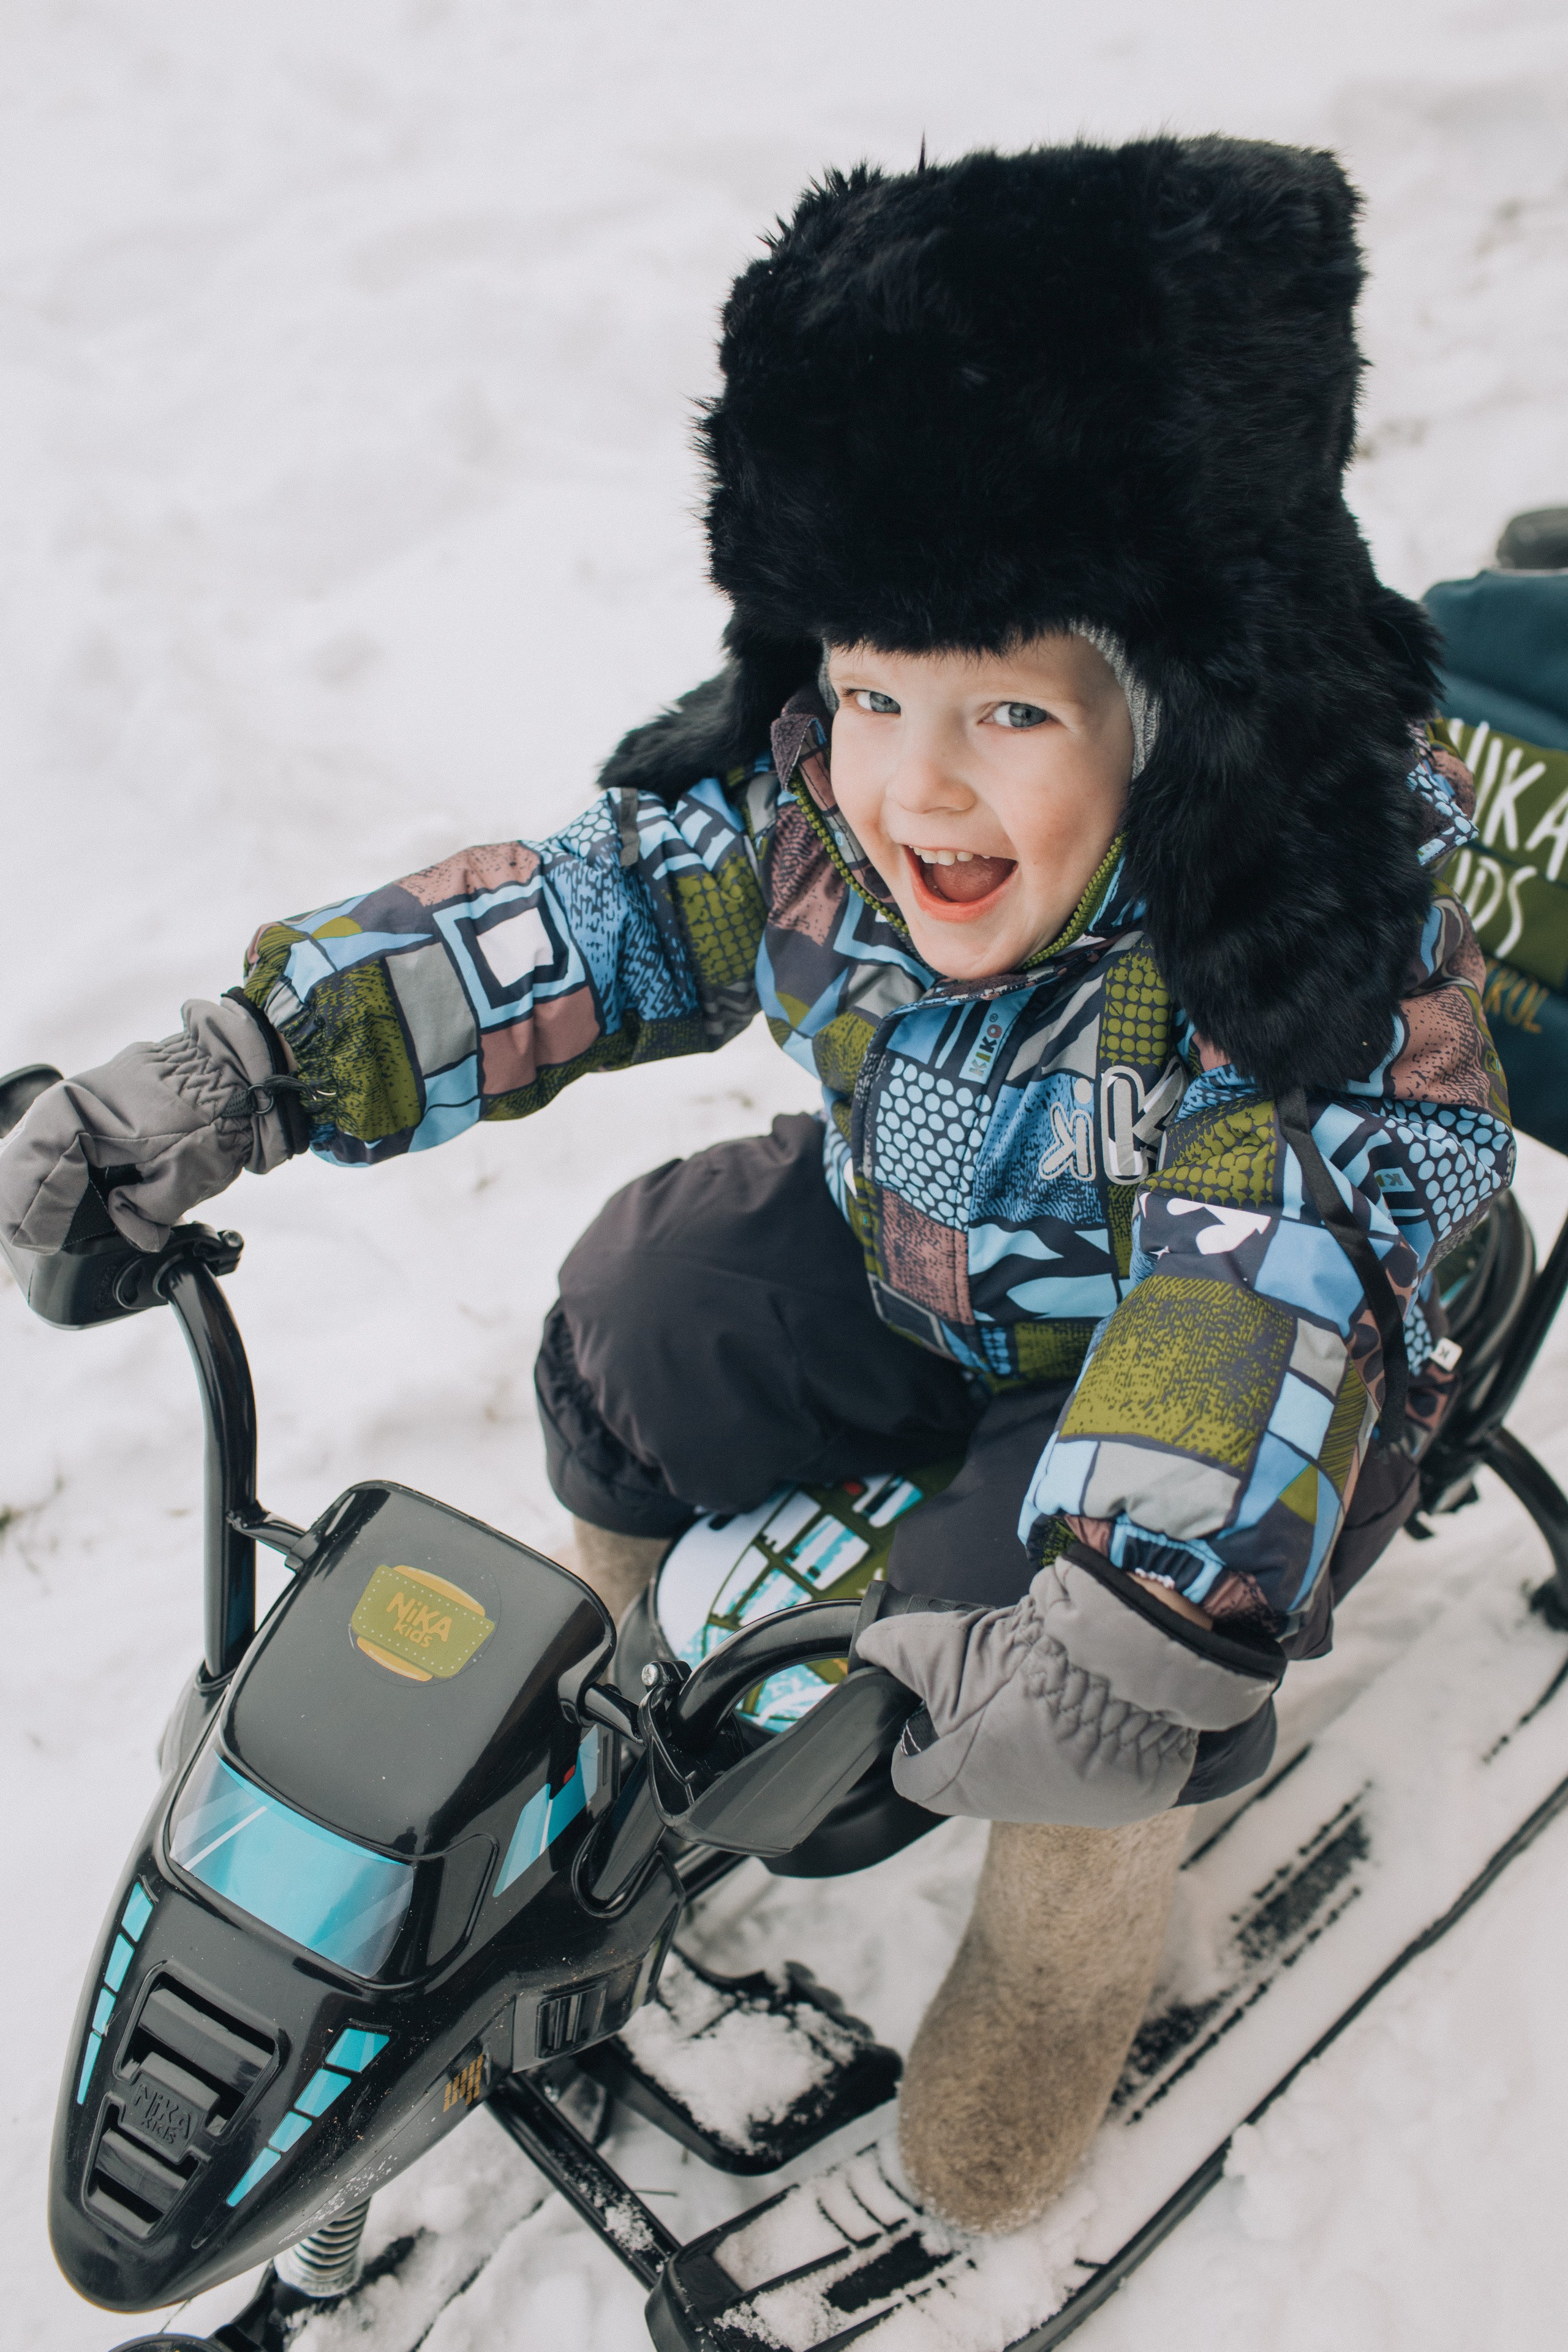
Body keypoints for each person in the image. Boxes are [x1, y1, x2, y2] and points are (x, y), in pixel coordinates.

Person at [0, 137, 1513, 2236]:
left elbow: (1299, 1254)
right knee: (657, 1290)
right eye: (876, 687)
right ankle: (581, 1698)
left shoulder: (1304, 951)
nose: (918, 781)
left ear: (1188, 709)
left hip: (1215, 1389)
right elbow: (562, 923)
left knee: (1032, 1669)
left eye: (1006, 704)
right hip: (929, 1259)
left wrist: (1136, 1612)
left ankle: (1067, 1947)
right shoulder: (811, 804)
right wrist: (246, 1070)